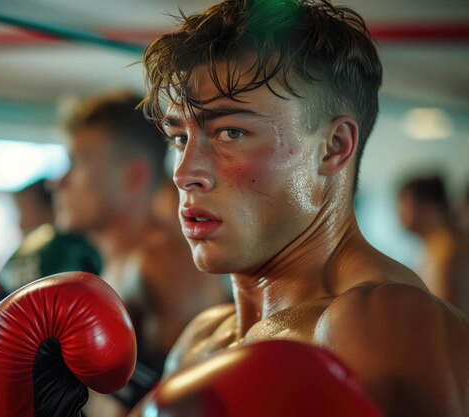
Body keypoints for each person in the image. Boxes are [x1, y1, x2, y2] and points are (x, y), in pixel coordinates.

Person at [127, 0, 469, 415]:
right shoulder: (202, 338)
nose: (184, 173)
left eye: (230, 132)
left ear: (333, 148)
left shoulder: (378, 322)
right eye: (180, 138)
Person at [54, 92, 229, 415]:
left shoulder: (164, 260)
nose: (59, 182)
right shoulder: (114, 264)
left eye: (76, 162)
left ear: (132, 176)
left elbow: (195, 404)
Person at [0, 178, 101, 293]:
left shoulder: (74, 249)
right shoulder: (17, 258)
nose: (20, 224)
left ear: (49, 207)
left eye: (24, 211)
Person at [398, 176, 469, 316]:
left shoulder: (446, 251)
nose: (400, 213)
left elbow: (445, 316)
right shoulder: (434, 248)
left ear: (427, 207)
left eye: (405, 204)